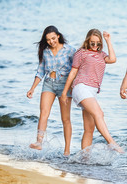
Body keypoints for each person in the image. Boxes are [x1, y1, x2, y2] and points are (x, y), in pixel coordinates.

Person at [60, 29, 122, 152]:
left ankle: (84, 160)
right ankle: (111, 142)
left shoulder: (102, 54)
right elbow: (73, 72)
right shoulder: (81, 53)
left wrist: (108, 40)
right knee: (99, 114)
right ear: (87, 41)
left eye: (98, 43)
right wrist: (64, 92)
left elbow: (113, 59)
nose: (95, 46)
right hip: (81, 87)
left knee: (89, 129)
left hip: (92, 91)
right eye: (92, 43)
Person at [26, 26, 76, 156]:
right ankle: (39, 142)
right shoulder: (45, 51)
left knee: (65, 119)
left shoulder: (70, 50)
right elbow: (40, 71)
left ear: (58, 36)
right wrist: (32, 88)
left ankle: (67, 151)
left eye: (53, 38)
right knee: (43, 113)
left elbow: (75, 70)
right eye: (48, 40)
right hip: (48, 84)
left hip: (65, 85)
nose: (51, 42)